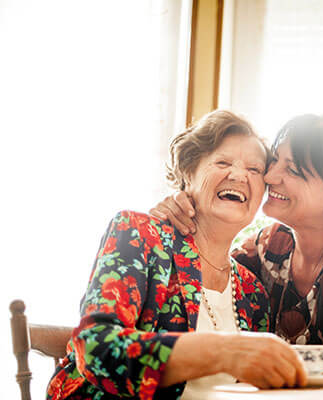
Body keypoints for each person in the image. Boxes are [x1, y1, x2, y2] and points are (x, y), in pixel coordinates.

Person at [47, 110, 307, 400]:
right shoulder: (140, 235)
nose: (238, 175)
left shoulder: (253, 290)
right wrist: (221, 351)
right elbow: (95, 348)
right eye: (222, 162)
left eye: (254, 170)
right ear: (188, 174)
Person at [151, 113, 323, 377]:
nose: (270, 177)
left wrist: (268, 359)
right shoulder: (269, 244)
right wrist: (181, 207)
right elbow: (211, 267)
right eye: (275, 161)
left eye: (293, 170)